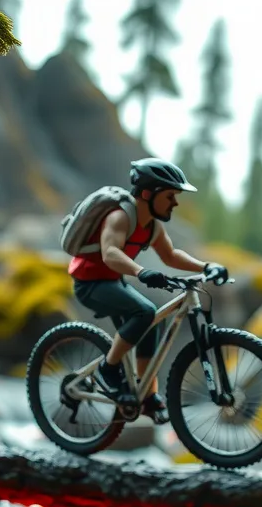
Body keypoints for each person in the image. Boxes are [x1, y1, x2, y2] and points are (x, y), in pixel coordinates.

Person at [69, 158, 228, 423]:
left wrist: (206, 265)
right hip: (90, 283)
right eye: (170, 196)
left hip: (112, 281)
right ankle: (107, 370)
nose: (175, 203)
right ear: (147, 194)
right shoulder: (120, 217)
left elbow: (170, 255)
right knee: (144, 311)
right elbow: (110, 253)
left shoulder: (152, 225)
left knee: (151, 322)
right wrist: (141, 272)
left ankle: (147, 395)